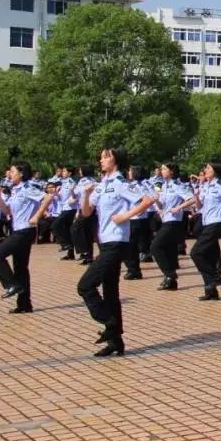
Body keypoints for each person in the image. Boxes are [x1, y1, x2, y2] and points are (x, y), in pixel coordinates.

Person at [77, 148, 154, 356]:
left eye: (106, 157)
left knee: (85, 286)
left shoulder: (121, 184)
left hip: (117, 242)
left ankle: (110, 324)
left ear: (116, 160)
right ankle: (115, 343)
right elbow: (86, 212)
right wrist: (85, 195)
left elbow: (147, 201)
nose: (101, 160)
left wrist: (125, 216)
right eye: (101, 157)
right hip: (104, 241)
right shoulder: (101, 186)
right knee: (110, 291)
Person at [0, 162, 52, 314]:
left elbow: (48, 197)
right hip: (18, 229)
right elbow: (7, 210)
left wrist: (37, 215)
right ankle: (24, 304)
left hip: (25, 231)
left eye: (12, 171)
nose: (9, 174)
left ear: (21, 173)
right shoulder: (15, 191)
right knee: (20, 268)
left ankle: (11, 285)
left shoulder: (28, 188)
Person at [177, 162, 221, 300]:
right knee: (204, 253)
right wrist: (196, 196)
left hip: (216, 222)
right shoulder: (206, 185)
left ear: (216, 170)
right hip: (206, 222)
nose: (205, 170)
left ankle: (213, 277)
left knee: (196, 253)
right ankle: (210, 288)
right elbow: (199, 205)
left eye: (208, 168)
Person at [150, 163, 190, 290]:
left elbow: (192, 199)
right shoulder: (159, 185)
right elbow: (160, 205)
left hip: (174, 221)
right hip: (165, 220)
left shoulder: (178, 185)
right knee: (168, 249)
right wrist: (156, 200)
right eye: (161, 169)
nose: (162, 171)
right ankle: (171, 281)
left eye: (164, 169)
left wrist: (179, 207)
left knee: (155, 246)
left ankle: (170, 274)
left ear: (172, 171)